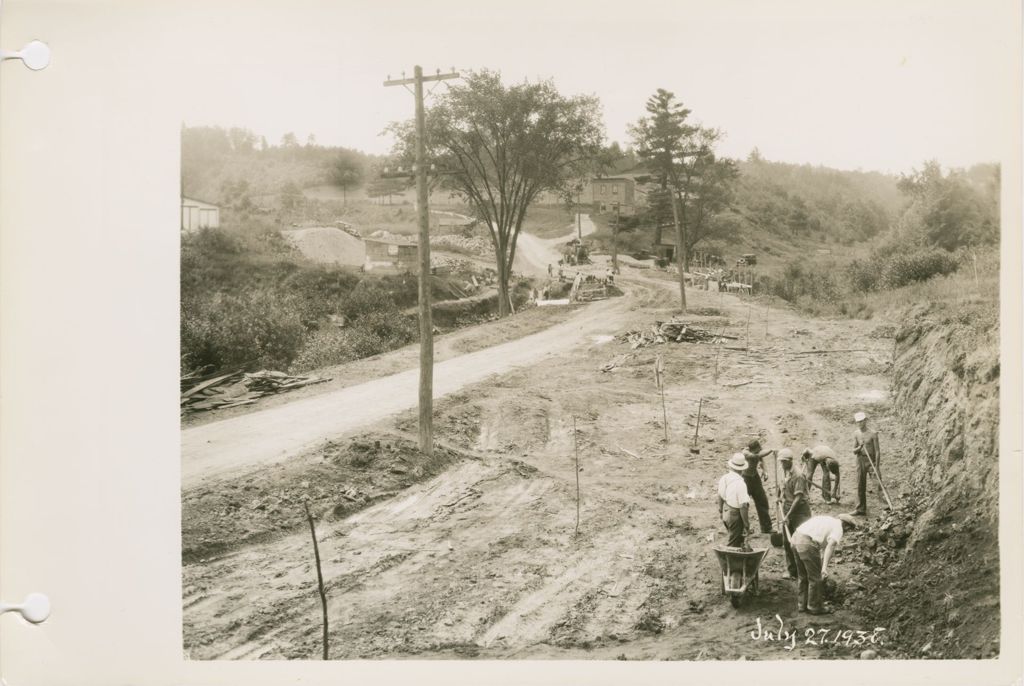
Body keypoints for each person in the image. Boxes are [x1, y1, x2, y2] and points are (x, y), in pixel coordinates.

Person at [791, 514, 858, 614]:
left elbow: (820, 543)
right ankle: (814, 607)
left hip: (795, 538)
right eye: (848, 530)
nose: (846, 532)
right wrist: (824, 568)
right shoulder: (838, 527)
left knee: (802, 575)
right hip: (807, 543)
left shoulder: (827, 519)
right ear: (846, 525)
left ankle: (802, 605)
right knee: (815, 578)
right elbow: (830, 546)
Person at [779, 448, 812, 579]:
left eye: (783, 462)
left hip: (799, 513)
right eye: (780, 462)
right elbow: (783, 486)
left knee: (801, 542)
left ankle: (803, 572)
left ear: (789, 461)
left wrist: (788, 516)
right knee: (787, 542)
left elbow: (798, 499)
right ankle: (792, 571)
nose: (781, 464)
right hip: (787, 509)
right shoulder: (785, 471)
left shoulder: (798, 475)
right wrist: (779, 496)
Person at [717, 453, 752, 548]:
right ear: (742, 469)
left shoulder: (724, 478)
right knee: (733, 543)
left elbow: (720, 495)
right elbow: (743, 506)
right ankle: (727, 560)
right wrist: (746, 524)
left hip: (726, 512)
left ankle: (736, 559)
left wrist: (720, 511)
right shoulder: (740, 484)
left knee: (736, 537)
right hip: (735, 515)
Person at [742, 439, 774, 533]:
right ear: (751, 449)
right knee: (744, 504)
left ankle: (766, 527)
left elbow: (761, 459)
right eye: (756, 451)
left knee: (762, 501)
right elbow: (759, 455)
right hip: (745, 479)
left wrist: (765, 471)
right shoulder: (746, 453)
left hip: (755, 477)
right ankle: (744, 528)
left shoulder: (757, 452)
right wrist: (771, 450)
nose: (757, 452)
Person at [852, 411, 881, 516]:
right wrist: (859, 447)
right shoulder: (856, 434)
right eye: (858, 422)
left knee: (878, 483)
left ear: (865, 421)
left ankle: (886, 507)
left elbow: (877, 451)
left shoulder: (873, 434)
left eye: (861, 421)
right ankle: (860, 509)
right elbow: (853, 450)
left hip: (871, 461)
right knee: (860, 484)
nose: (859, 424)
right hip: (860, 460)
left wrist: (877, 466)